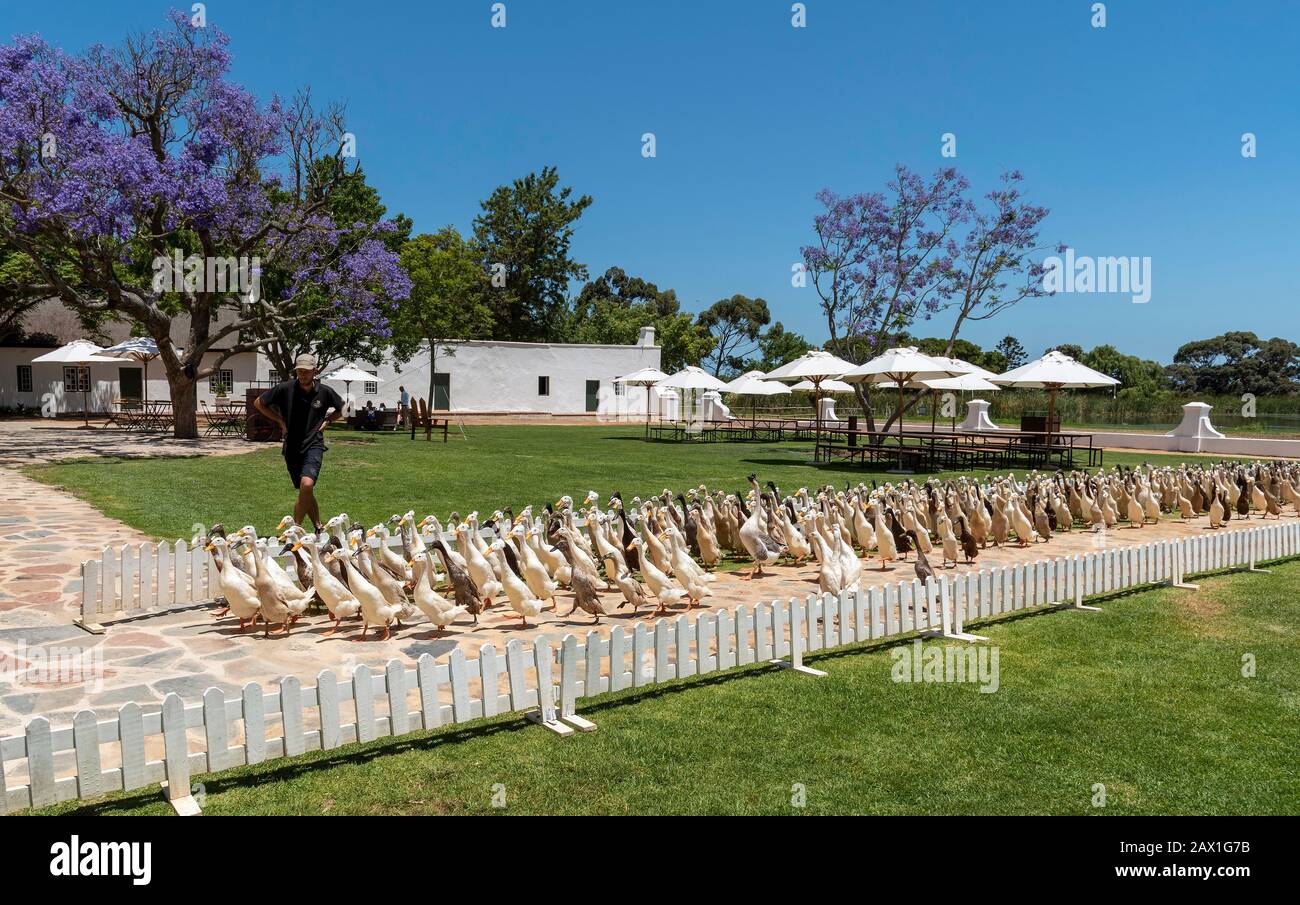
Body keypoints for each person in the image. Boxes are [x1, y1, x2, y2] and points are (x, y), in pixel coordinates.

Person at [253, 353, 343, 530]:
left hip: (314, 444)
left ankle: (296, 529)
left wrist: (328, 421)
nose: (302, 375)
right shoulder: (285, 389)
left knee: (307, 484)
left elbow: (344, 408)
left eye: (306, 371)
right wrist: (279, 420)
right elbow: (259, 403)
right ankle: (318, 525)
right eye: (299, 371)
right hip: (292, 446)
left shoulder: (324, 392)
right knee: (305, 490)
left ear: (315, 371)